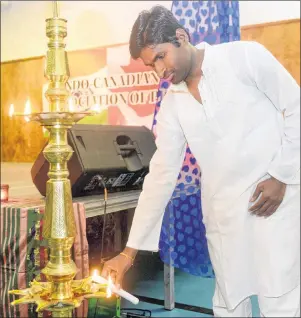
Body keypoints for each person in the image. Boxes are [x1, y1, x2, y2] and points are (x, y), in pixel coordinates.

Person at [101, 5, 300, 317]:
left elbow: (296, 107)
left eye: (160, 57)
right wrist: (128, 253)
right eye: (150, 64)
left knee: (281, 302)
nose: (158, 71)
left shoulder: (245, 56)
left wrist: (282, 176)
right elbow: (161, 175)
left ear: (181, 36)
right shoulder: (172, 103)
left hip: (274, 204)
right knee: (230, 304)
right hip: (225, 215)